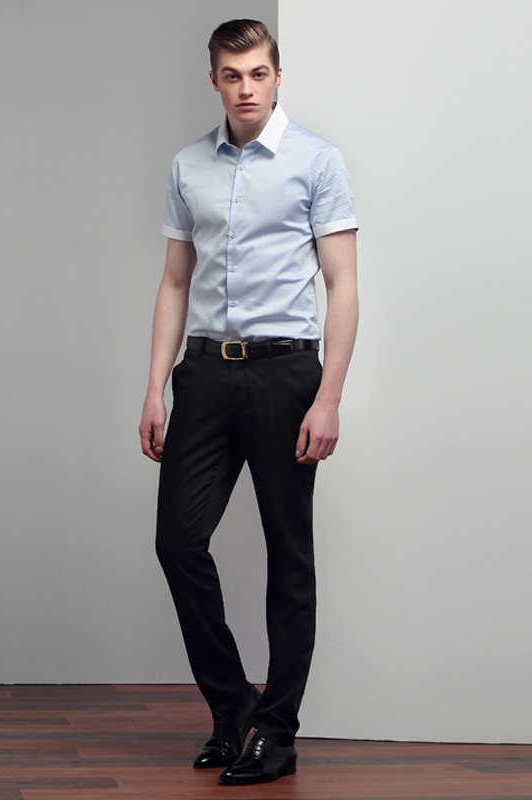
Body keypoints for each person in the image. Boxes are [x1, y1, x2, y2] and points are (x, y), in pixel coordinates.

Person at [139, 18, 358, 786]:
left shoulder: (315, 161)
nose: (246, 88)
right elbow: (174, 282)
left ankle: (277, 731)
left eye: (259, 73)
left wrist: (328, 397)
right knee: (177, 542)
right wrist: (155, 387)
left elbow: (342, 285)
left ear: (277, 74)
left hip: (285, 373)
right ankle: (233, 710)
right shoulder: (188, 166)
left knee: (288, 557)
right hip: (204, 374)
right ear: (214, 81)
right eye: (232, 76)